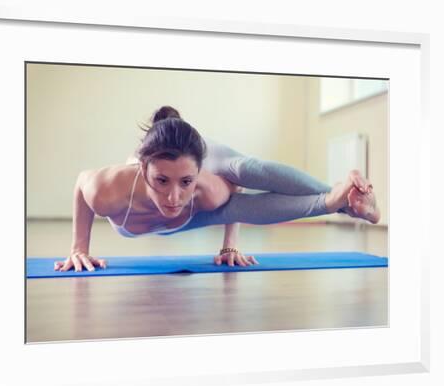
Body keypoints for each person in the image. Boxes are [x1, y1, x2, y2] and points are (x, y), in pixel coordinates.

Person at [54, 106, 380, 272]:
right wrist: (78, 248)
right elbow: (81, 186)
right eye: (161, 181)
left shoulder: (207, 189)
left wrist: (229, 246)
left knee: (245, 171)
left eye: (185, 182)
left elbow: (237, 194)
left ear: (198, 173)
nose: (173, 198)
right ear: (143, 169)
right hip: (159, 182)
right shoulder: (107, 189)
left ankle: (343, 198)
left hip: (209, 168)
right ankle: (344, 198)